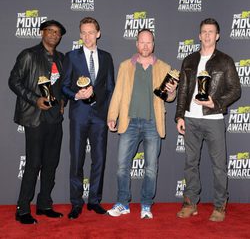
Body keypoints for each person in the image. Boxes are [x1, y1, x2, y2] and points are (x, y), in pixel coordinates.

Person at [175, 18, 241, 222]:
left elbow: (235, 90)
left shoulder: (225, 60)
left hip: (213, 118)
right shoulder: (189, 60)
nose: (207, 35)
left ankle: (220, 205)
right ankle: (190, 202)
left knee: (219, 165)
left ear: (217, 35)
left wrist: (216, 103)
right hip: (191, 118)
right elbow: (183, 90)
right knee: (190, 163)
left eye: (211, 31)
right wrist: (179, 115)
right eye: (204, 31)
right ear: (199, 35)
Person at [107, 29, 177, 219]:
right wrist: (112, 115)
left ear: (153, 44)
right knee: (122, 166)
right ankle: (123, 203)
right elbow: (118, 93)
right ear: (136, 44)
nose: (145, 46)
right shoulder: (125, 66)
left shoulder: (164, 67)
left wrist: (171, 92)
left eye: (149, 43)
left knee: (151, 168)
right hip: (129, 123)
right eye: (142, 42)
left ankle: (146, 204)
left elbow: (169, 98)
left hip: (153, 123)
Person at [9, 20, 67, 224]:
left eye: (57, 33)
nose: (54, 34)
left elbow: (63, 85)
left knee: (51, 164)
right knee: (34, 164)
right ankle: (22, 209)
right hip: (35, 117)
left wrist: (62, 102)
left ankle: (44, 205)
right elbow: (13, 81)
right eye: (50, 31)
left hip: (54, 119)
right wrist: (35, 99)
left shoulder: (61, 58)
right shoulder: (29, 55)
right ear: (42, 32)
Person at [62, 17, 115, 219]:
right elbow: (64, 86)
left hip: (100, 116)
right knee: (77, 159)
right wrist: (76, 94)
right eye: (83, 32)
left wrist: (110, 114)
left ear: (98, 33)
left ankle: (94, 200)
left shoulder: (107, 57)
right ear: (80, 34)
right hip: (79, 115)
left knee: (99, 159)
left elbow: (110, 87)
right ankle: (76, 203)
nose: (87, 36)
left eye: (91, 32)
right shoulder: (71, 56)